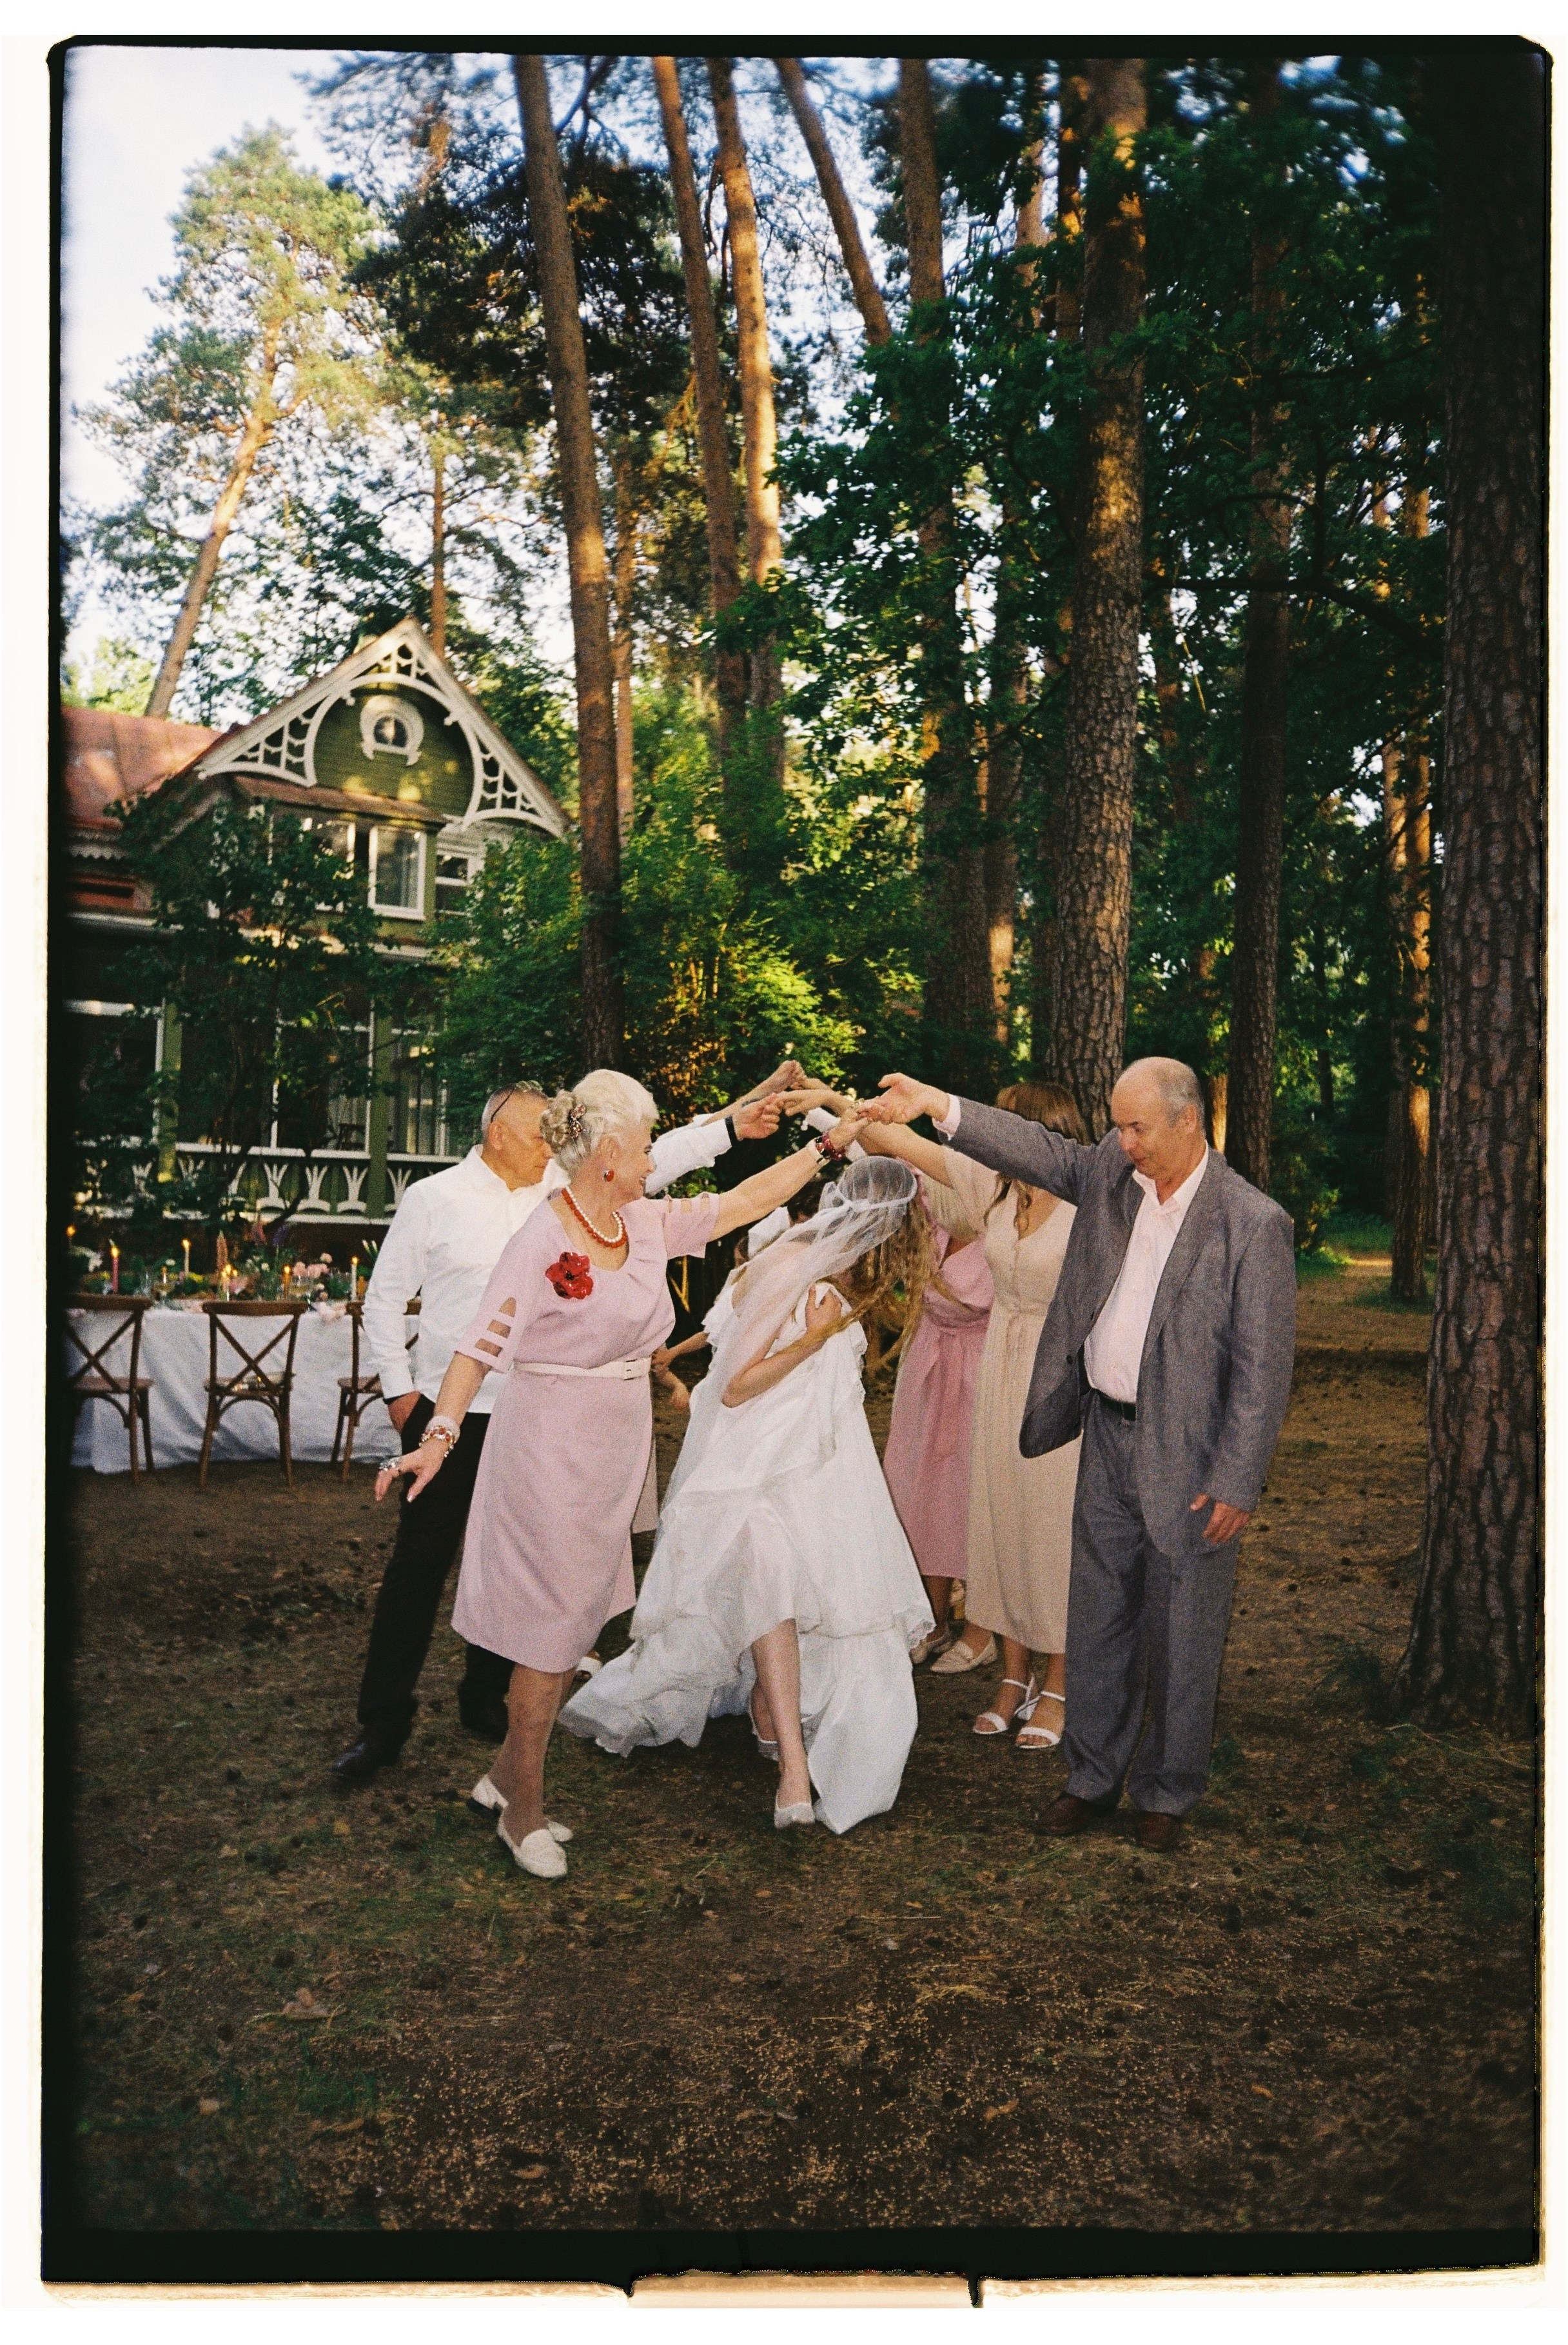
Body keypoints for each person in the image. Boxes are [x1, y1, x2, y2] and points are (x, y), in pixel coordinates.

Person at [375, 1071, 836, 1879]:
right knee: (547, 1635)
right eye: (647, 1138)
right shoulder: (540, 1238)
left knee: (575, 1623)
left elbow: (744, 1201)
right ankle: (523, 1812)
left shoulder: (645, 1221)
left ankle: (500, 1776)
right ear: (610, 1155)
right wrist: (438, 1435)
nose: (656, 1150)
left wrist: (828, 1146)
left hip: (615, 1448)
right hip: (546, 1447)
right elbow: (477, 1346)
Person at [866, 1057, 1297, 1850]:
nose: (1121, 1141)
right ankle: (1091, 1778)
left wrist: (1237, 1477)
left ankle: (1165, 1794)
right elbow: (1032, 1147)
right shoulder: (1110, 1175)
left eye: (1136, 1128)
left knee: (1181, 1632)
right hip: (1104, 1435)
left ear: (1187, 1122)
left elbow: (1262, 1371)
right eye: (1116, 1125)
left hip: (1193, 1459)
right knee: (1097, 1619)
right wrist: (937, 1104)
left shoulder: (1249, 1222)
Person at [558, 1154, 936, 1835]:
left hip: (820, 1470)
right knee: (767, 1574)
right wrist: (818, 1338)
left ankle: (772, 1705)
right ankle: (791, 1759)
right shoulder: (794, 1265)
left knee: (810, 1592)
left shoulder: (834, 1267)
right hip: (752, 1466)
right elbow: (736, 1385)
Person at [846, 1083, 1089, 1745]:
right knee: (998, 1524)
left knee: (1049, 1532)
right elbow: (903, 1146)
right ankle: (1012, 1679)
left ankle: (1061, 1687)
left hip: (1056, 1377)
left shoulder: (1087, 1199)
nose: (982, 1136)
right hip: (998, 1374)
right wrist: (856, 1108)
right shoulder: (996, 1190)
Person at [777, 1084, 993, 1667]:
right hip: (928, 1361)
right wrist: (824, 1100)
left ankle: (970, 1620)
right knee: (909, 1481)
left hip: (981, 1369)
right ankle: (922, 1610)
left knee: (961, 1492)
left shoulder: (1006, 1226)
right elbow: (881, 1150)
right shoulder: (935, 1209)